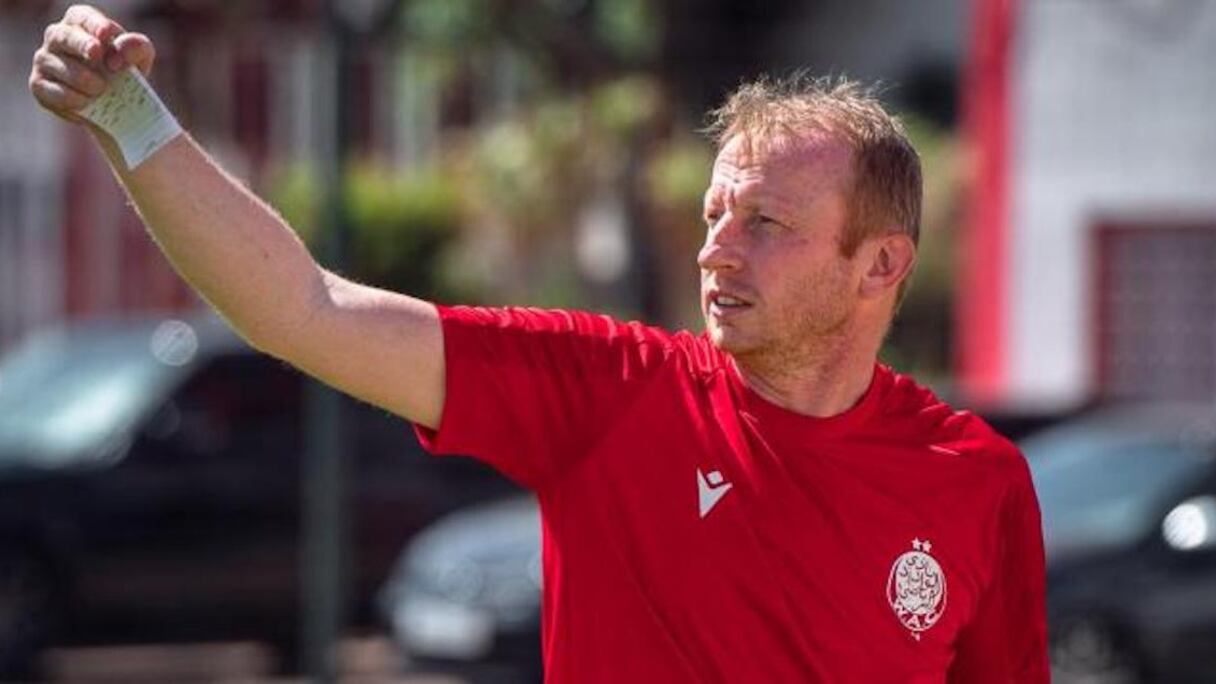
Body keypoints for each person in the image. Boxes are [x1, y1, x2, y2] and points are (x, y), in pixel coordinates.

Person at [29, 5, 1049, 682]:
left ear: (878, 265)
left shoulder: (977, 481)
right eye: (712, 216)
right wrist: (130, 119)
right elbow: (303, 309)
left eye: (765, 225)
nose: (715, 253)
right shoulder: (611, 393)